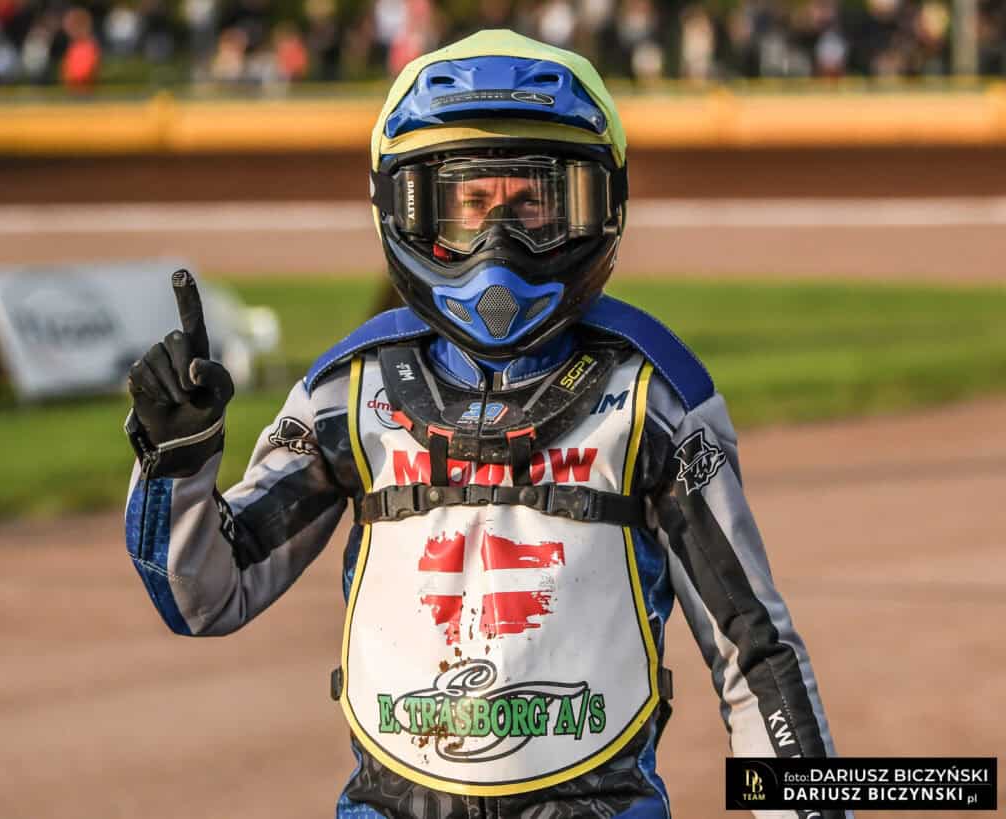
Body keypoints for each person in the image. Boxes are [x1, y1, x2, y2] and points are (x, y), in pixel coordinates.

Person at [124, 29, 849, 819]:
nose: (500, 244)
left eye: (532, 203)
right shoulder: (349, 393)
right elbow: (204, 597)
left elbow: (755, 654)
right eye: (471, 204)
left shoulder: (654, 399)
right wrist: (176, 458)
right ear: (409, 209)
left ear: (595, 204)